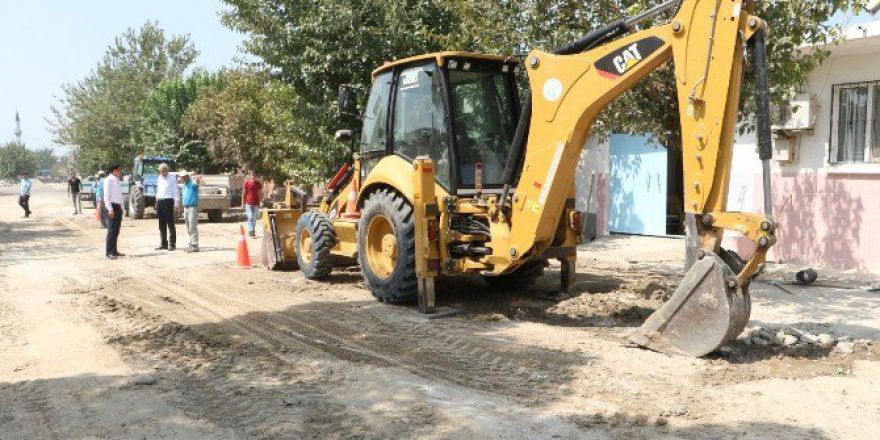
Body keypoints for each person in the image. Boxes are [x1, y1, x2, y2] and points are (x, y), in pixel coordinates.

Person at [154, 163, 179, 251]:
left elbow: (176, 191)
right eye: (161, 171)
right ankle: (163, 243)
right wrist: (156, 201)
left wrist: (176, 204)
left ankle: (172, 244)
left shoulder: (172, 178)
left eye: (165, 171)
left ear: (167, 170)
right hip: (160, 201)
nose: (163, 173)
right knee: (161, 224)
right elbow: (158, 190)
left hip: (168, 201)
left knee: (170, 223)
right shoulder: (159, 178)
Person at [104, 164, 126, 259]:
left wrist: (122, 208)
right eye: (119, 170)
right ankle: (109, 252)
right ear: (114, 170)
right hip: (112, 206)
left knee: (116, 230)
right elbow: (107, 196)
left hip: (117, 206)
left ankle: (114, 250)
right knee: (112, 230)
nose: (120, 171)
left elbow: (119, 196)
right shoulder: (109, 180)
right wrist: (110, 209)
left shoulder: (117, 180)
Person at [179, 171, 201, 253]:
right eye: (182, 177)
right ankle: (192, 243)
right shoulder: (184, 184)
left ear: (187, 176)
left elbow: (197, 182)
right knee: (188, 226)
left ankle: (195, 245)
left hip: (192, 207)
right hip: (186, 207)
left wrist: (196, 177)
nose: (183, 178)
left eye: (185, 176)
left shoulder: (192, 183)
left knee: (192, 226)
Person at [242, 171, 262, 238]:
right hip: (248, 203)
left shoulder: (258, 184)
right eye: (252, 175)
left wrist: (260, 202)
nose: (253, 176)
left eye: (254, 175)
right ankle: (251, 232)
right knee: (250, 217)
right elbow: (244, 193)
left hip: (256, 203)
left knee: (254, 218)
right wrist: (243, 203)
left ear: (256, 176)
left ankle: (252, 231)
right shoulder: (246, 183)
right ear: (250, 176)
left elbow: (260, 193)